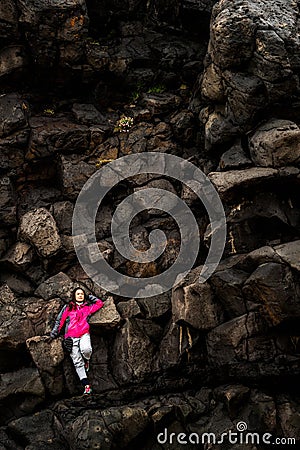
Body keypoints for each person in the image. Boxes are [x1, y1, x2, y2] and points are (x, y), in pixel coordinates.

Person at [50, 287, 104, 395]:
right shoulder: (68, 308)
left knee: (87, 350)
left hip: (84, 334)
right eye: (78, 293)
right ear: (74, 295)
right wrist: (54, 333)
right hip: (70, 337)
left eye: (82, 294)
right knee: (77, 362)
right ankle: (87, 386)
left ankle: (87, 361)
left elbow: (99, 303)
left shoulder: (87, 308)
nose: (80, 295)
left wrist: (89, 296)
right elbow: (60, 321)